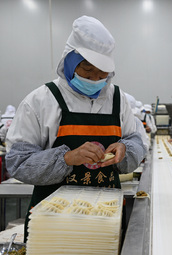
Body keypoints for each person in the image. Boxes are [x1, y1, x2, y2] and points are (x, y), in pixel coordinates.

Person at [5, 16, 144, 240]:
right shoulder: (41, 100)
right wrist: (67, 158)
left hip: (105, 218)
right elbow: (17, 162)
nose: (94, 80)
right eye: (87, 72)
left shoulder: (117, 98)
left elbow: (136, 141)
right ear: (69, 62)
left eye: (101, 75)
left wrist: (126, 149)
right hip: (53, 222)